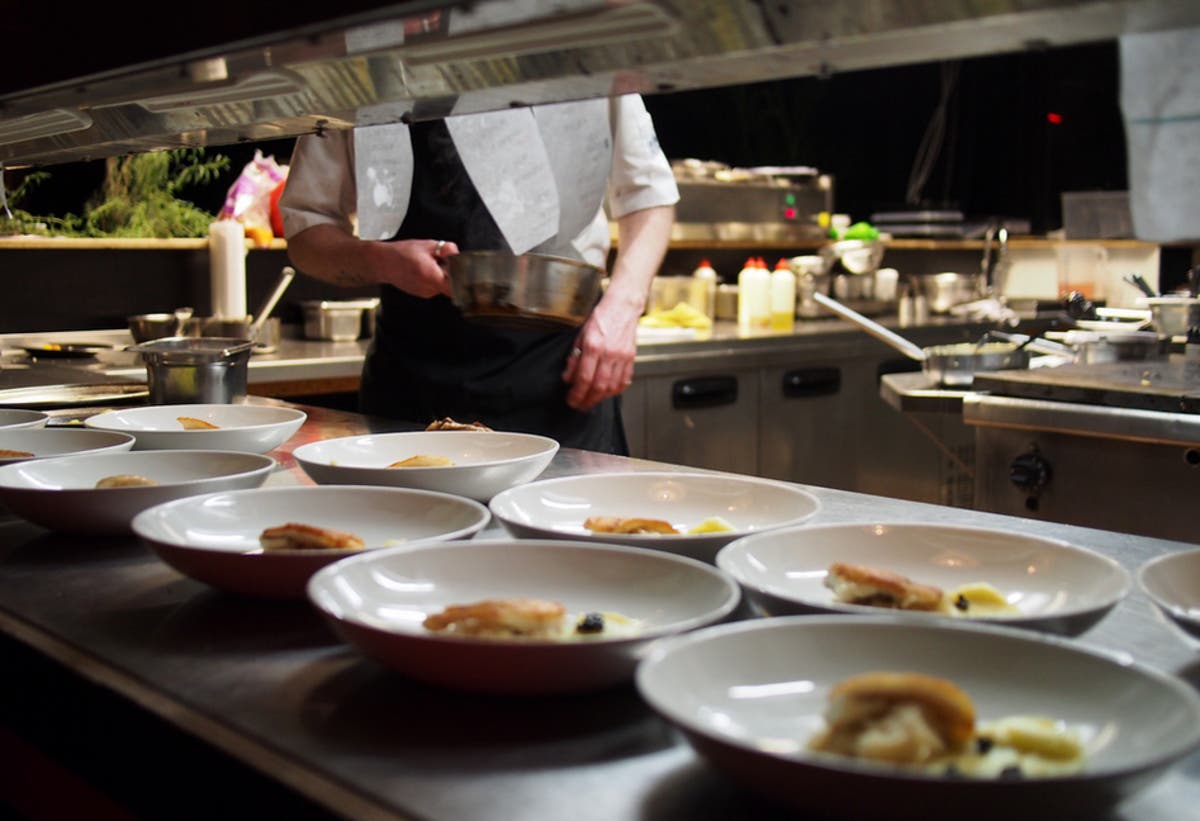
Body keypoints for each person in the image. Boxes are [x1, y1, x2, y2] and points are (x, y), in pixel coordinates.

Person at [278, 94, 677, 454]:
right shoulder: (361, 71)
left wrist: (622, 310)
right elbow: (306, 228)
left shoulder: (577, 51)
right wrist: (382, 261)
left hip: (563, 373)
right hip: (414, 373)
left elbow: (649, 194)